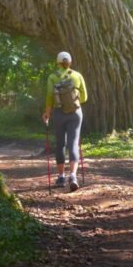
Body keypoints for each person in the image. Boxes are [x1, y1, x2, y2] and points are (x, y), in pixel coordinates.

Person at [42, 51, 87, 191]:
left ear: (58, 62)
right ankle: (73, 175)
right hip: (75, 113)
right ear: (70, 62)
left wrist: (47, 113)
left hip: (59, 113)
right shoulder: (77, 75)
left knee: (60, 144)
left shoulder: (52, 77)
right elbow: (85, 97)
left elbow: (50, 95)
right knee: (73, 143)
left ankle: (61, 176)